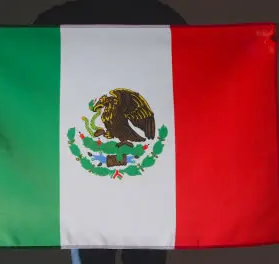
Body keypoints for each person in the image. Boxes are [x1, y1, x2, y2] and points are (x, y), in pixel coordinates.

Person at [33, 1, 186, 263]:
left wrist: (258, 44)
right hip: (84, 180)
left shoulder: (159, 16)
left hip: (149, 181)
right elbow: (15, 60)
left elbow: (201, 63)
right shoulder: (58, 18)